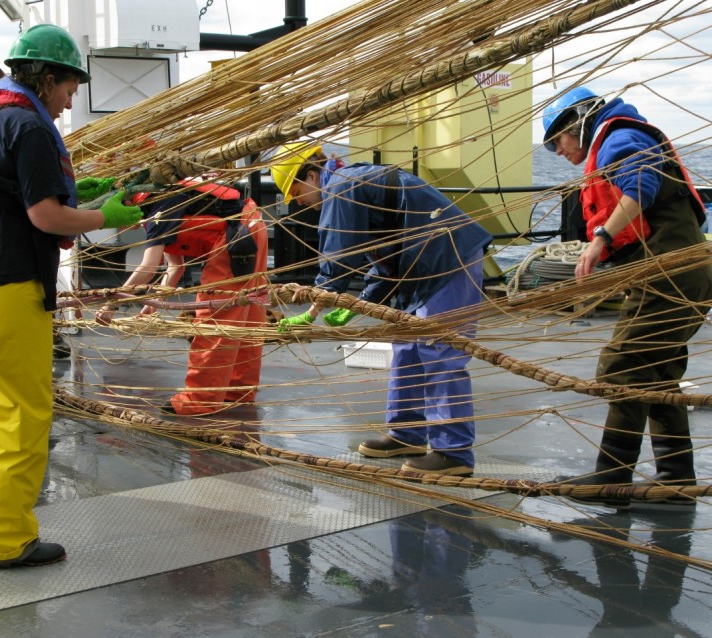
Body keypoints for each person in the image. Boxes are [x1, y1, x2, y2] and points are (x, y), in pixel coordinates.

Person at [0, 24, 143, 568]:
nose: (69, 101)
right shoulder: (27, 126)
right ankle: (10, 539)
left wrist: (84, 190)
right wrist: (108, 217)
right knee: (23, 413)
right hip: (7, 285)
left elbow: (16, 189)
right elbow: (45, 215)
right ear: (47, 78)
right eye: (69, 89)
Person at [272, 143, 492, 476]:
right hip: (415, 266)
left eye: (296, 191)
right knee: (405, 347)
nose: (298, 201)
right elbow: (383, 254)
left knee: (440, 351)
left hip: (448, 258)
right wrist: (367, 299)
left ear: (312, 175)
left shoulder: (340, 188)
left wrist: (313, 309)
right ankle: (407, 434)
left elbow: (338, 255)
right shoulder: (350, 183)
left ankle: (453, 453)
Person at [544, 86, 712, 507]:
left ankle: (611, 477)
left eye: (557, 140)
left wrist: (600, 238)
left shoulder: (619, 138)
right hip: (675, 267)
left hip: (669, 269)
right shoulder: (616, 136)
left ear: (578, 120)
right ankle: (676, 481)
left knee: (624, 363)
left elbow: (642, 184)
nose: (557, 150)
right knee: (657, 373)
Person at [96, 181, 269, 416]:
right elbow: (174, 267)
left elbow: (147, 266)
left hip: (236, 238)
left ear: (127, 204)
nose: (121, 227)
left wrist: (111, 303)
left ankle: (199, 400)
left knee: (215, 319)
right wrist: (151, 304)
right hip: (253, 226)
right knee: (247, 316)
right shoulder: (167, 198)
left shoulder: (157, 208)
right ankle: (237, 390)